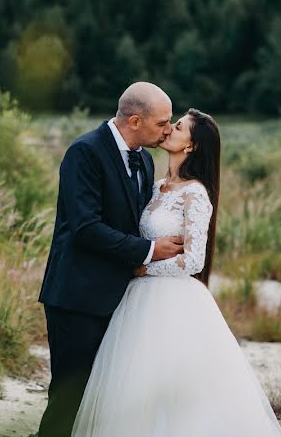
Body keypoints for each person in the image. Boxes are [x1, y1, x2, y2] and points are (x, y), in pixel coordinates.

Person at [71, 109, 281, 436]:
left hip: (172, 301)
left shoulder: (195, 193)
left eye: (180, 126)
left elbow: (194, 261)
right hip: (136, 299)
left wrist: (145, 267)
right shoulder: (158, 187)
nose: (170, 128)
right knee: (133, 382)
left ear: (192, 146)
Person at [37, 82, 186, 437]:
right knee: (69, 396)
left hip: (121, 301)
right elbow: (85, 228)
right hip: (77, 296)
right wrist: (149, 252)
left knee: (103, 399)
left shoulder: (146, 162)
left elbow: (134, 222)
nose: (167, 130)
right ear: (135, 121)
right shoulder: (84, 152)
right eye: (162, 123)